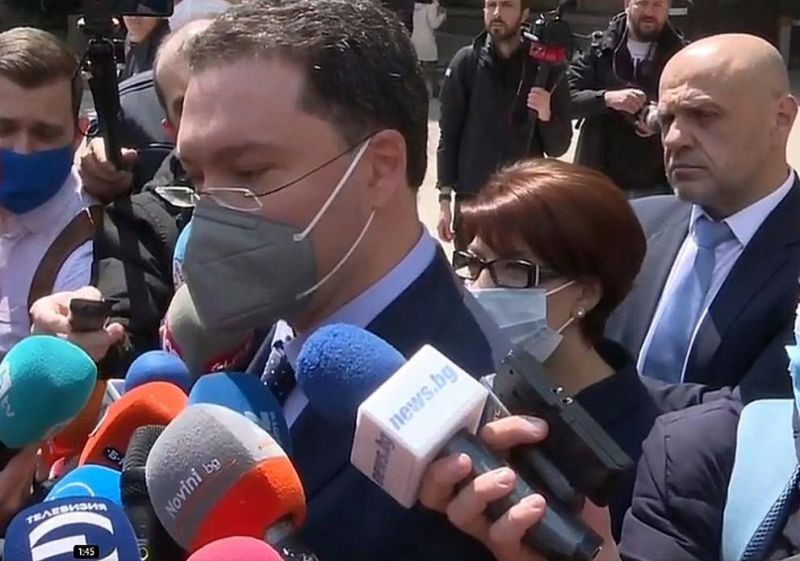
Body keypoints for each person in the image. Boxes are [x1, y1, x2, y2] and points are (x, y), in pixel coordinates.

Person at [29, 2, 511, 560]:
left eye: (250, 173)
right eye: (197, 177)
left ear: (379, 167)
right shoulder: (259, 312)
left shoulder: (479, 423)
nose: (212, 213)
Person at [435, 158, 658, 540]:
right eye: (474, 263)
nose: (480, 288)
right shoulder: (467, 389)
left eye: (513, 269)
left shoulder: (645, 449)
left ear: (586, 294)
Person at [605, 33, 800, 405]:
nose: (674, 139)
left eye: (704, 115)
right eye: (666, 119)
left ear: (781, 119)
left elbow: (756, 410)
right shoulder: (631, 225)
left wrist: (592, 386)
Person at [436, 0, 572, 252]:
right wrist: (444, 200)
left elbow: (558, 147)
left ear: (524, 14)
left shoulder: (545, 67)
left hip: (524, 201)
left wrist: (546, 115)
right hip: (474, 200)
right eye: (491, 5)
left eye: (507, 5)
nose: (497, 13)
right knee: (473, 271)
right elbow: (449, 134)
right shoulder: (466, 62)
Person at [0, 27, 99, 361]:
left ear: (78, 135)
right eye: (3, 128)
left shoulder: (88, 241)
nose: (22, 149)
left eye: (44, 133)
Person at [568, 0, 686, 197]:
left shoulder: (682, 56)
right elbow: (564, 100)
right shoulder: (599, 50)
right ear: (627, 5)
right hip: (599, 177)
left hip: (659, 181)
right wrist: (606, 99)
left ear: (667, 9)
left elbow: (695, 109)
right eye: (642, 3)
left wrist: (662, 119)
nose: (649, 12)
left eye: (657, 5)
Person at [411, 0, 446, 98]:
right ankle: (429, 92)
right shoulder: (431, 7)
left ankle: (420, 91)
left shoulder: (417, 7)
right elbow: (434, 24)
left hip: (415, 40)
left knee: (420, 69)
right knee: (430, 71)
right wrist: (442, 16)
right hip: (427, 42)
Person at [120, 15, 170, 80]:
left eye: (142, 10)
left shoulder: (168, 47)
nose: (133, 17)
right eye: (128, 10)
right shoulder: (131, 37)